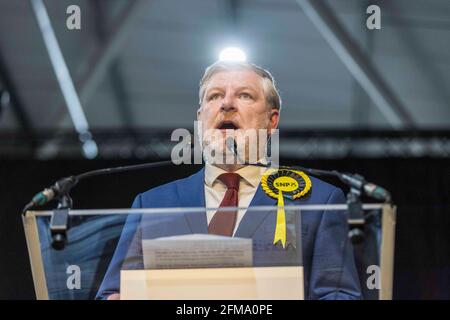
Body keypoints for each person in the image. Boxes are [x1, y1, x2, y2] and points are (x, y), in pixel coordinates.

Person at [96, 61, 362, 300]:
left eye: (244, 95)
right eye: (214, 96)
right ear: (200, 119)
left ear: (272, 121)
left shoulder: (318, 201)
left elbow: (339, 295)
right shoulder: (152, 204)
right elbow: (113, 292)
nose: (227, 103)